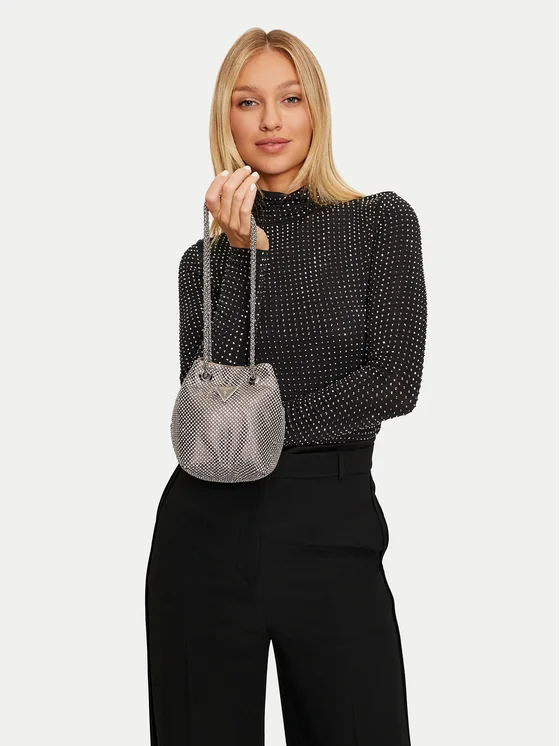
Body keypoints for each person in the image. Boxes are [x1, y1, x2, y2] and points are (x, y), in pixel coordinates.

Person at [145, 27, 427, 746]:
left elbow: (394, 381)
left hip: (332, 528)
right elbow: (207, 410)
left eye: (290, 98)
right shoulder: (202, 261)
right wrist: (242, 254)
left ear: (316, 109)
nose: (270, 120)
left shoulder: (379, 223)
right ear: (226, 117)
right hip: (204, 532)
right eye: (248, 102)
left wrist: (258, 431)